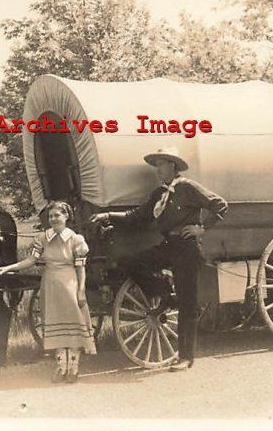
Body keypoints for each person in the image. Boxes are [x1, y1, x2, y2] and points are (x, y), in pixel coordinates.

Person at [90, 146, 227, 372]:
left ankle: (186, 357)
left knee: (188, 303)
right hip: (168, 245)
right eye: (156, 166)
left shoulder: (187, 188)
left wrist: (201, 228)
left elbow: (220, 205)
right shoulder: (159, 194)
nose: (157, 170)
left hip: (187, 248)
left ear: (172, 165)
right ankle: (165, 294)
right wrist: (107, 215)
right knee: (133, 263)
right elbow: (137, 216)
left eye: (160, 165)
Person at [0, 201, 96, 383]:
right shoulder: (43, 238)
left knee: (73, 323)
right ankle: (61, 367)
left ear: (66, 216)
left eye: (57, 215)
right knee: (54, 323)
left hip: (70, 283)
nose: (54, 219)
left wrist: (81, 290)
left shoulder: (76, 240)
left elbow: (81, 268)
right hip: (50, 285)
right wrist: (8, 268)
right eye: (51, 216)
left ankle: (73, 369)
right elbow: (30, 261)